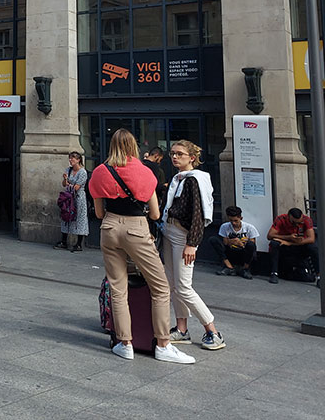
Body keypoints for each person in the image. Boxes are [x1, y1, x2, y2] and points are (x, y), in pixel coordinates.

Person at [87, 128, 195, 364]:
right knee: (160, 287)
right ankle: (163, 343)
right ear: (133, 147)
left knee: (118, 287)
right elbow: (155, 214)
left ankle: (124, 343)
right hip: (136, 228)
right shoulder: (144, 172)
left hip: (108, 228)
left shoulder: (99, 172)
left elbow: (97, 212)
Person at [162, 139, 224, 350]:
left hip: (182, 234)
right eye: (172, 153)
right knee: (173, 285)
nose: (175, 157)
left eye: (179, 153)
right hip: (170, 231)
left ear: (192, 157)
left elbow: (198, 213)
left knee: (184, 286)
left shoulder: (193, 180)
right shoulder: (178, 178)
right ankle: (181, 329)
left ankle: (212, 331)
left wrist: (192, 243)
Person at [267, 207, 319, 284]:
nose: (297, 225)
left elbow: (311, 238)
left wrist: (292, 243)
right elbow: (270, 235)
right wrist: (288, 237)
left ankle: (319, 275)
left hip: (298, 244)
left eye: (299, 223)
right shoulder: (281, 219)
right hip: (285, 244)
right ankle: (274, 273)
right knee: (274, 244)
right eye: (294, 223)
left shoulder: (306, 220)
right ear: (288, 217)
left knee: (313, 247)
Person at [211, 205, 258, 279]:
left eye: (236, 221)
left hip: (243, 253)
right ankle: (229, 267)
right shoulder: (224, 227)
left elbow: (252, 244)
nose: (233, 223)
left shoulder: (249, 228)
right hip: (231, 251)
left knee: (250, 245)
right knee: (213, 240)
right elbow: (225, 242)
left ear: (241, 218)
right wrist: (231, 242)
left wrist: (241, 244)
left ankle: (245, 269)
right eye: (231, 221)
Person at [55, 151, 89, 252]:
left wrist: (70, 184)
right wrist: (65, 179)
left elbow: (77, 187)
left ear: (78, 160)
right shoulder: (68, 170)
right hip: (68, 198)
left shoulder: (82, 172)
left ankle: (79, 243)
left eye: (72, 158)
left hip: (78, 198)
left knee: (79, 218)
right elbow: (64, 184)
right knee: (66, 216)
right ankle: (64, 241)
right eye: (70, 158)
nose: (70, 160)